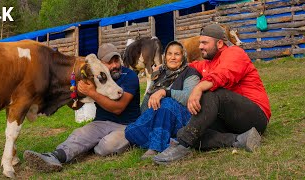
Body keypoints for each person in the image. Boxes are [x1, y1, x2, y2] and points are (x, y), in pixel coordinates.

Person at [153, 24, 271, 164]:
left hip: (255, 115)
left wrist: (198, 88)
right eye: (200, 43)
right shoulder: (207, 64)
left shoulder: (234, 53)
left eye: (204, 43)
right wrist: (165, 65)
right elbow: (189, 66)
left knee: (212, 93)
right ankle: (240, 139)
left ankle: (183, 144)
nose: (200, 46)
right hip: (231, 120)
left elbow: (223, 74)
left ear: (219, 43)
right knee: (189, 129)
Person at [23, 43, 141, 172]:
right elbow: (76, 107)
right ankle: (54, 157)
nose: (114, 66)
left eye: (116, 60)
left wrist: (91, 93)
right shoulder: (95, 77)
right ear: (101, 63)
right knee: (79, 134)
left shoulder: (129, 76)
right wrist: (73, 92)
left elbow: (118, 108)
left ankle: (102, 143)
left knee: (106, 147)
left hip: (126, 125)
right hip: (101, 123)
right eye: (109, 62)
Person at [125, 41, 201, 160]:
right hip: (158, 115)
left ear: (183, 56)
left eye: (177, 54)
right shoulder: (160, 74)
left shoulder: (190, 72)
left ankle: (155, 148)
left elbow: (189, 97)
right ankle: (172, 145)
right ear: (165, 56)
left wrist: (165, 92)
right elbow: (148, 97)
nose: (173, 57)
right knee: (130, 130)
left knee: (166, 103)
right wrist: (143, 117)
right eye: (169, 54)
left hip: (181, 117)